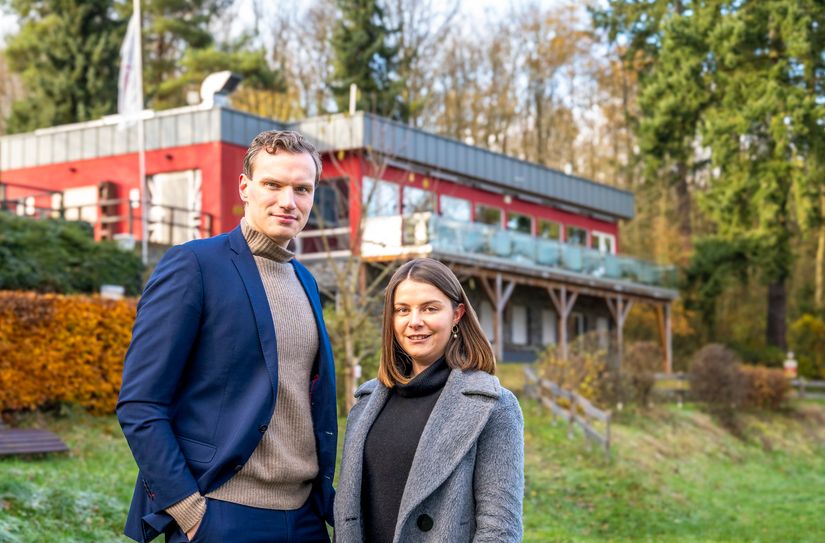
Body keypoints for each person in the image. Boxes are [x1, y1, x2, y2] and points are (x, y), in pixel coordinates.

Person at [117, 130, 337, 543]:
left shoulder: (305, 280)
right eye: (272, 184)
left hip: (306, 516)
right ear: (245, 187)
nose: (288, 201)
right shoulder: (194, 266)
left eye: (302, 189)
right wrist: (188, 510)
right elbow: (140, 403)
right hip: (222, 515)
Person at [334, 258, 524, 542]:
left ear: (457, 314)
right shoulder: (365, 403)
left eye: (429, 308)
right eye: (402, 310)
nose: (414, 322)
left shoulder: (493, 406)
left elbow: (499, 530)